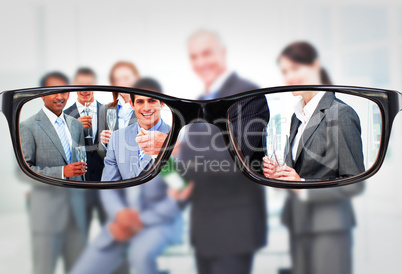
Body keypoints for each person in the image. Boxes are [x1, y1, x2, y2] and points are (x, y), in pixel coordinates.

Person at [263, 41, 365, 274]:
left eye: (295, 69)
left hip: (328, 227)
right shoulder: (297, 116)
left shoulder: (341, 113)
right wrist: (278, 174)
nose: (289, 77)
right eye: (285, 71)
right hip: (299, 224)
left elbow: (355, 183)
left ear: (315, 66)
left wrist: (302, 186)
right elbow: (297, 173)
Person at [70, 78, 185, 274]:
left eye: (152, 101)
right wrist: (120, 214)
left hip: (159, 222)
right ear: (132, 104)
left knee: (140, 258)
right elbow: (109, 185)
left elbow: (178, 192)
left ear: (162, 103)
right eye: (140, 101)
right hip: (121, 221)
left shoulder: (175, 140)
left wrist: (140, 221)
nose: (146, 107)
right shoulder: (118, 138)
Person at [179, 30, 268, 274]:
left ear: (223, 53)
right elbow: (185, 174)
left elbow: (235, 159)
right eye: (194, 56)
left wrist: (178, 148)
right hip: (203, 231)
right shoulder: (199, 101)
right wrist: (166, 166)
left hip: (234, 230)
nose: (200, 62)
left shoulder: (248, 94)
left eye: (206, 54)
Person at [20, 71, 88, 274]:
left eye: (65, 91)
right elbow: (23, 171)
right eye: (54, 91)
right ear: (41, 94)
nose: (60, 96)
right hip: (48, 215)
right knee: (44, 269)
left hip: (76, 213)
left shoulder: (75, 125)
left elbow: (80, 163)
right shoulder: (28, 126)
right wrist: (61, 172)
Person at [64, 68, 107, 227]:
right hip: (78, 185)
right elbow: (62, 150)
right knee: (79, 233)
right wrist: (75, 128)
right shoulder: (65, 116)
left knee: (111, 231)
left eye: (89, 84)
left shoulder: (109, 111)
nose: (85, 89)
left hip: (106, 183)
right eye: (80, 84)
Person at [98, 61, 140, 159]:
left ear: (136, 78)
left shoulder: (146, 109)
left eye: (126, 78)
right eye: (117, 79)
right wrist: (104, 144)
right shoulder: (105, 110)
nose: (122, 83)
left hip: (138, 171)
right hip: (114, 171)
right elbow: (100, 152)